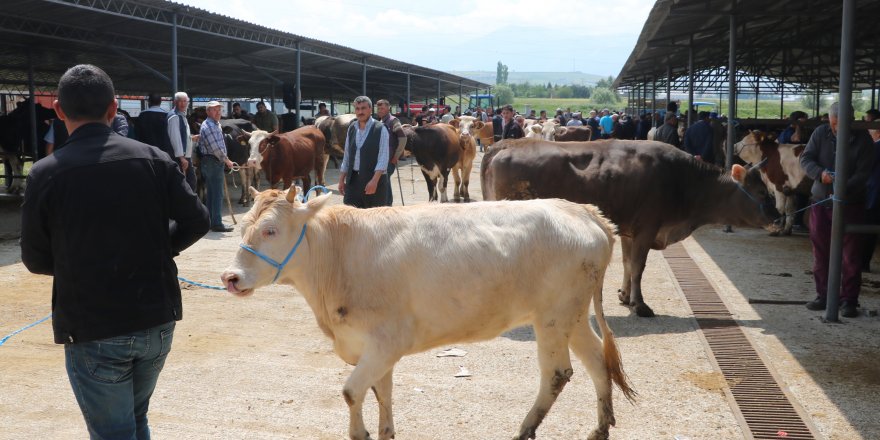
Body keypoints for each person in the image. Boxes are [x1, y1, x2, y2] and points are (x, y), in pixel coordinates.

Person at [20, 64, 209, 440]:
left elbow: (35, 259)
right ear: (113, 109)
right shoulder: (155, 160)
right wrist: (158, 249)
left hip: (94, 326)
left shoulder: (46, 173)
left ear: (58, 110)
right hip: (156, 320)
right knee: (135, 420)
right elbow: (198, 220)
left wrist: (82, 260)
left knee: (114, 432)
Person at [799, 101, 874, 317]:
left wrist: (843, 188)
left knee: (850, 255)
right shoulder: (820, 133)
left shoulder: (863, 141)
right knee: (820, 251)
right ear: (829, 121)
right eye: (833, 124)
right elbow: (806, 158)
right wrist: (820, 174)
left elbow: (864, 173)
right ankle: (823, 295)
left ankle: (849, 300)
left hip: (851, 204)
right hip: (821, 201)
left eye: (841, 125)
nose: (836, 129)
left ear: (851, 122)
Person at [338, 96, 390, 208]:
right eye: (357, 109)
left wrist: (374, 181)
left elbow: (383, 158)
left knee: (373, 219)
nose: (360, 112)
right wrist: (342, 179)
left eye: (363, 108)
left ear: (370, 109)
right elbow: (347, 156)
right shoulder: (352, 128)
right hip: (353, 181)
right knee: (351, 216)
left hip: (373, 180)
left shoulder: (380, 129)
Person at [198, 101, 236, 232]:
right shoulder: (209, 126)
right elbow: (216, 148)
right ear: (208, 111)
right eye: (214, 110)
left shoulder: (215, 124)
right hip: (213, 161)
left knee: (212, 193)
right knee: (217, 194)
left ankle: (209, 221)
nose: (218, 112)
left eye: (219, 109)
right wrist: (227, 161)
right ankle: (217, 223)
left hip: (210, 161)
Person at [376, 99, 407, 206]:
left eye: (382, 108)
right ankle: (385, 204)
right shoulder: (381, 122)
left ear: (388, 108)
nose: (380, 110)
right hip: (382, 158)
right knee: (383, 181)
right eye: (378, 108)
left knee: (385, 181)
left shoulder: (393, 121)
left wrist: (396, 156)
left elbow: (403, 138)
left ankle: (388, 204)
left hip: (389, 159)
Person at [167, 91, 198, 191]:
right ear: (175, 102)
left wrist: (191, 138)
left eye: (185, 101)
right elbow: (175, 138)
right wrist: (181, 158)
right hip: (180, 157)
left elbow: (181, 135)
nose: (183, 103)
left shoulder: (181, 115)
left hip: (185, 156)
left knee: (190, 183)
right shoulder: (175, 117)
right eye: (180, 101)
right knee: (187, 184)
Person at [862, 108, 880, 272]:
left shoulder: (875, 148)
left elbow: (866, 170)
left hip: (874, 195)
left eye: (871, 131)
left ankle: (863, 263)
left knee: (867, 230)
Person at [135, 92, 175, 159]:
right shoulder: (167, 115)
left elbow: (137, 133)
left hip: (146, 151)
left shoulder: (142, 115)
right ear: (160, 102)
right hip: (163, 152)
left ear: (149, 102)